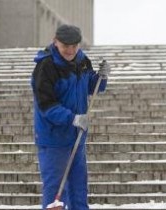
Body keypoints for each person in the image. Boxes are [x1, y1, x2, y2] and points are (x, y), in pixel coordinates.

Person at [31, 24, 110, 210]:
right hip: (53, 140)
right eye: (66, 45)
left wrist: (102, 77)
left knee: (78, 190)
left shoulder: (82, 61)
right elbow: (46, 105)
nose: (71, 50)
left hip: (77, 137)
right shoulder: (46, 67)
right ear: (55, 41)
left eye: (75, 46)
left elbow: (92, 86)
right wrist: (72, 118)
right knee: (56, 193)